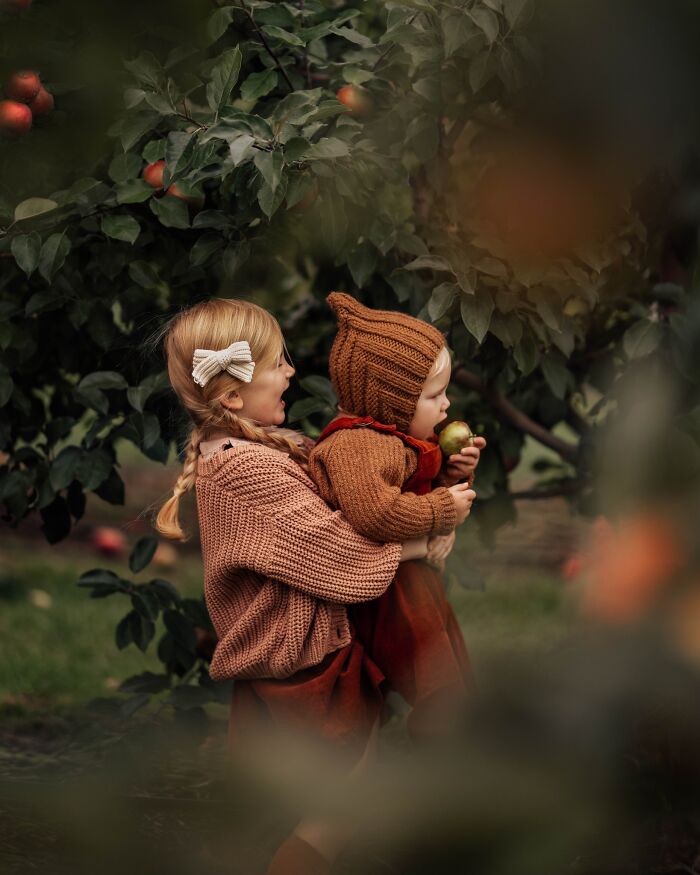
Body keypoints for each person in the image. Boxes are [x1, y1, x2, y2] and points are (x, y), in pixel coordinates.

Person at [153, 297, 477, 875]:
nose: (292, 372)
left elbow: (362, 508)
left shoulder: (269, 449)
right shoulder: (241, 468)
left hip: (312, 648)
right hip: (298, 661)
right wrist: (430, 529)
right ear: (231, 395)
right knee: (335, 808)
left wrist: (438, 483)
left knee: (336, 798)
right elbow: (341, 551)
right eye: (278, 363)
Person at [308, 292, 487, 741]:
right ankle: (449, 743)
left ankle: (459, 737)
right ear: (389, 400)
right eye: (433, 396)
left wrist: (448, 475)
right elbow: (378, 512)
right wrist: (442, 507)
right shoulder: (356, 447)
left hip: (409, 582)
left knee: (447, 662)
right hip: (385, 594)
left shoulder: (389, 440)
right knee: (436, 679)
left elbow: (408, 491)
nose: (446, 406)